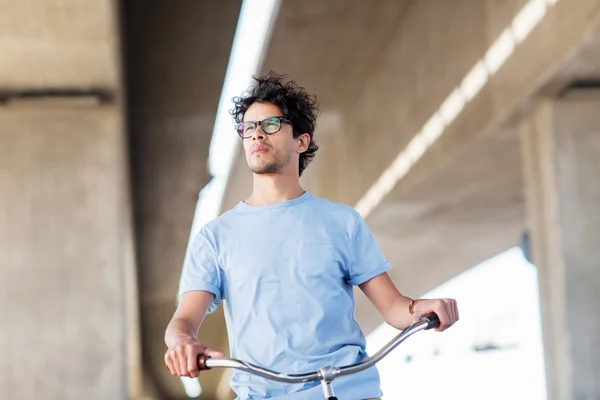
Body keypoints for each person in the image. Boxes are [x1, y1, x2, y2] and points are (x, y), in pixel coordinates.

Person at [164, 71, 459, 400]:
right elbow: (183, 321)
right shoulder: (215, 237)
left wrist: (421, 307)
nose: (257, 134)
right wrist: (183, 342)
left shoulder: (342, 222)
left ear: (301, 141)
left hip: (348, 391)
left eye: (271, 124)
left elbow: (394, 308)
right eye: (249, 128)